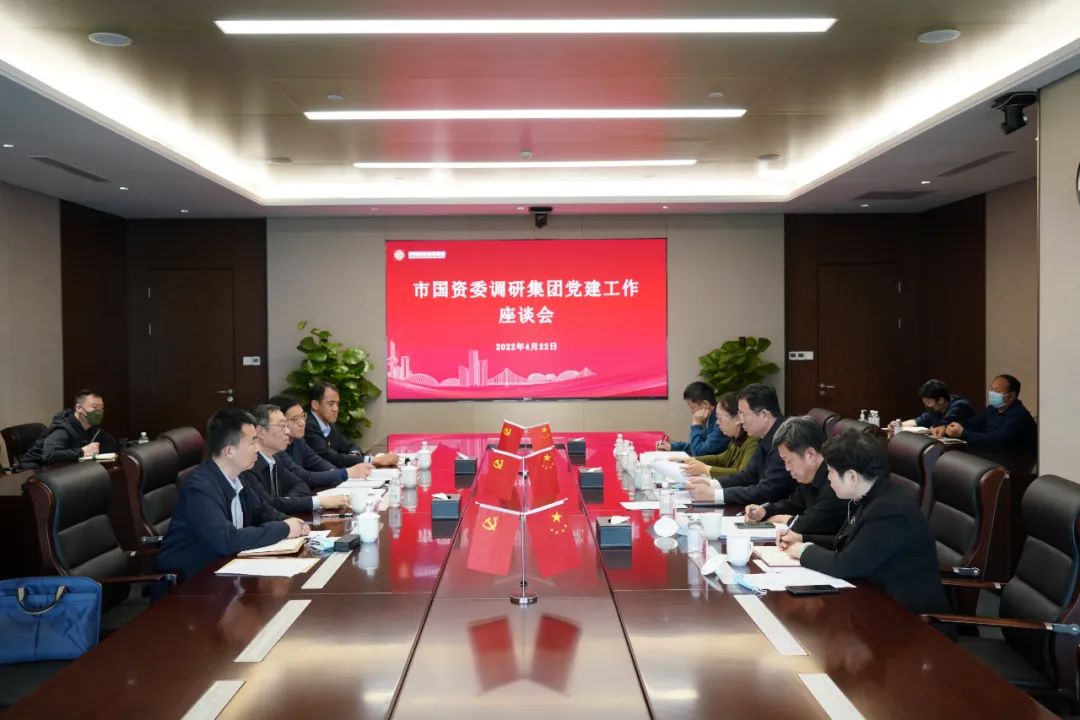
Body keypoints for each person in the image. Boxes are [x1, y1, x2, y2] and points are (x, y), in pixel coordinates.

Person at [779, 430, 952, 618]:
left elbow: (845, 565)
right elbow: (849, 543)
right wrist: (802, 538)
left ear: (852, 477)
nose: (828, 479)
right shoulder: (870, 496)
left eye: (831, 472)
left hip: (910, 619)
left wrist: (803, 550)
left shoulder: (890, 511)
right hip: (876, 601)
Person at [156, 408, 309, 582]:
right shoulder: (200, 489)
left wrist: (292, 522)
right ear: (229, 451)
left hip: (227, 571)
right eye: (252, 442)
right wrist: (284, 528)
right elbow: (227, 540)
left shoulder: (238, 476)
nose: (257, 449)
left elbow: (262, 511)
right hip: (191, 583)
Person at [687, 384, 796, 505]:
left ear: (764, 415)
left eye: (743, 414)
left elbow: (768, 490)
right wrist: (712, 484)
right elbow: (748, 476)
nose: (740, 420)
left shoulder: (785, 439)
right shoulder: (765, 436)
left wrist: (715, 495)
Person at [743, 416, 846, 538]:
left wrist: (782, 518)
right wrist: (765, 511)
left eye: (788, 461)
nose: (787, 468)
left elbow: (812, 524)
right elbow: (793, 504)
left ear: (810, 455)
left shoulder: (836, 481)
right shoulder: (810, 476)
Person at [243, 404, 351, 515]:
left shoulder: (274, 458)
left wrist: (287, 502)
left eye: (286, 425)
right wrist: (318, 501)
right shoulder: (249, 465)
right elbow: (269, 505)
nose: (287, 431)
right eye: (282, 426)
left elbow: (300, 484)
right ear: (260, 431)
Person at [270, 394, 373, 487]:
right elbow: (304, 477)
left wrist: (342, 474)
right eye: (295, 419)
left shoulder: (299, 441)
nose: (302, 423)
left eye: (302, 416)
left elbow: (318, 463)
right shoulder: (275, 448)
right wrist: (347, 473)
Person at [937, 374, 1037, 464]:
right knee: (953, 456)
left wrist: (963, 433)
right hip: (994, 455)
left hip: (1014, 462)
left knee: (963, 461)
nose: (992, 393)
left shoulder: (1019, 415)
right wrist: (946, 428)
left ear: (1012, 395)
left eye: (997, 391)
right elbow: (973, 423)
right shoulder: (992, 409)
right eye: (991, 389)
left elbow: (997, 440)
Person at [19, 389, 119, 469]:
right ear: (79, 408)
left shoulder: (93, 427)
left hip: (62, 470)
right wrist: (82, 452)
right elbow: (49, 455)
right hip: (33, 471)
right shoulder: (63, 428)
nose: (99, 412)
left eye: (101, 408)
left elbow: (112, 444)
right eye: (95, 407)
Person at [305, 382, 397, 468]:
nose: (336, 409)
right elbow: (332, 458)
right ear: (315, 405)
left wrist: (354, 455)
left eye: (337, 404)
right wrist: (376, 460)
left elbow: (350, 446)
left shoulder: (330, 425)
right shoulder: (308, 426)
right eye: (331, 404)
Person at [677, 392, 758, 479]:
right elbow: (721, 459)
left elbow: (742, 473)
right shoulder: (736, 439)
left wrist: (706, 469)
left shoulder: (752, 441)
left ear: (737, 418)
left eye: (719, 418)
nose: (717, 423)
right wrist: (693, 460)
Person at [656, 381, 729, 456]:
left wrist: (696, 424)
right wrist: (672, 447)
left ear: (705, 404)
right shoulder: (710, 419)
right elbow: (697, 446)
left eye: (692, 407)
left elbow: (699, 452)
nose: (692, 412)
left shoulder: (720, 423)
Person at [901, 379, 975, 429]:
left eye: (928, 402)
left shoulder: (959, 406)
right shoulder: (936, 408)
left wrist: (932, 427)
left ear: (941, 400)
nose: (926, 405)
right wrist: (897, 425)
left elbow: (941, 426)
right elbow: (918, 421)